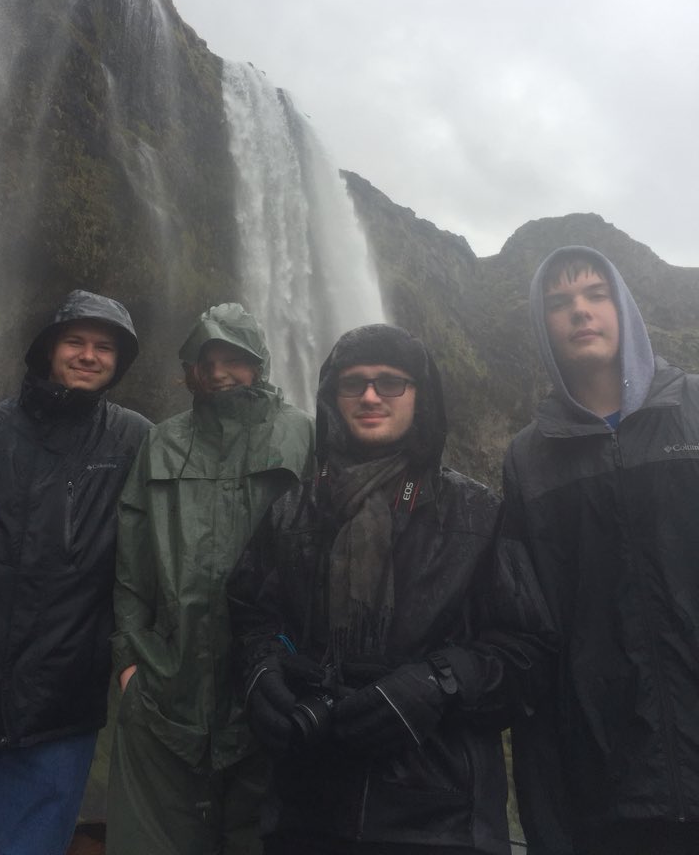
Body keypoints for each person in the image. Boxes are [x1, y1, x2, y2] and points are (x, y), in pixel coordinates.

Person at [228, 323, 554, 855]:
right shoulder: (292, 512)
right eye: (352, 383)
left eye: (390, 382)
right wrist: (262, 673)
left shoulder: (477, 514)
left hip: (438, 819)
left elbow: (529, 653)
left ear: (420, 396)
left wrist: (435, 684)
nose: (371, 396)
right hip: (307, 810)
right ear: (331, 399)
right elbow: (252, 618)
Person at [0, 289, 151, 855]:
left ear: (119, 362)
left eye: (104, 347)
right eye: (74, 341)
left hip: (60, 702)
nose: (88, 355)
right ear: (47, 350)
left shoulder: (136, 440)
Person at [504, 245, 699, 855]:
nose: (579, 312)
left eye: (595, 295)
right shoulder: (528, 458)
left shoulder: (694, 409)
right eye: (559, 303)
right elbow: (532, 634)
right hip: (606, 786)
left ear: (624, 308)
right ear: (544, 326)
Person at [106, 302, 315, 855]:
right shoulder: (163, 439)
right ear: (191, 368)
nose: (220, 370)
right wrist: (129, 659)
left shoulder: (301, 433)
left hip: (270, 689)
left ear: (259, 364)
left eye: (235, 358)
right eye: (208, 357)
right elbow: (132, 557)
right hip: (165, 689)